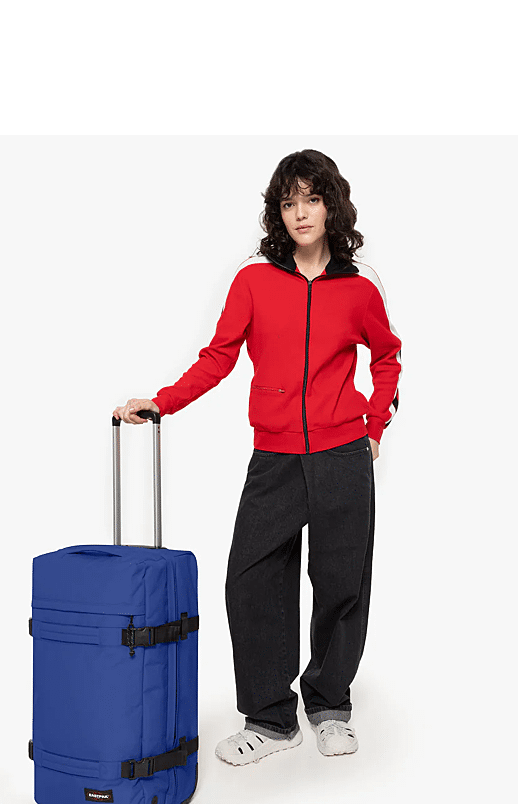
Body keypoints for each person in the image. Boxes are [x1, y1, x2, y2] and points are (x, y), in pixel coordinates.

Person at [113, 149, 402, 766]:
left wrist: (375, 427)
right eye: (289, 202)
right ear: (278, 212)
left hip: (343, 454)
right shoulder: (253, 281)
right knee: (251, 581)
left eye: (312, 199)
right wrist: (164, 402)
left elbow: (387, 357)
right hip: (275, 455)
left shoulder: (360, 286)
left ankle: (329, 706)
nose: (301, 213)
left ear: (332, 205)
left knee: (341, 582)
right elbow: (219, 355)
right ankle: (271, 719)